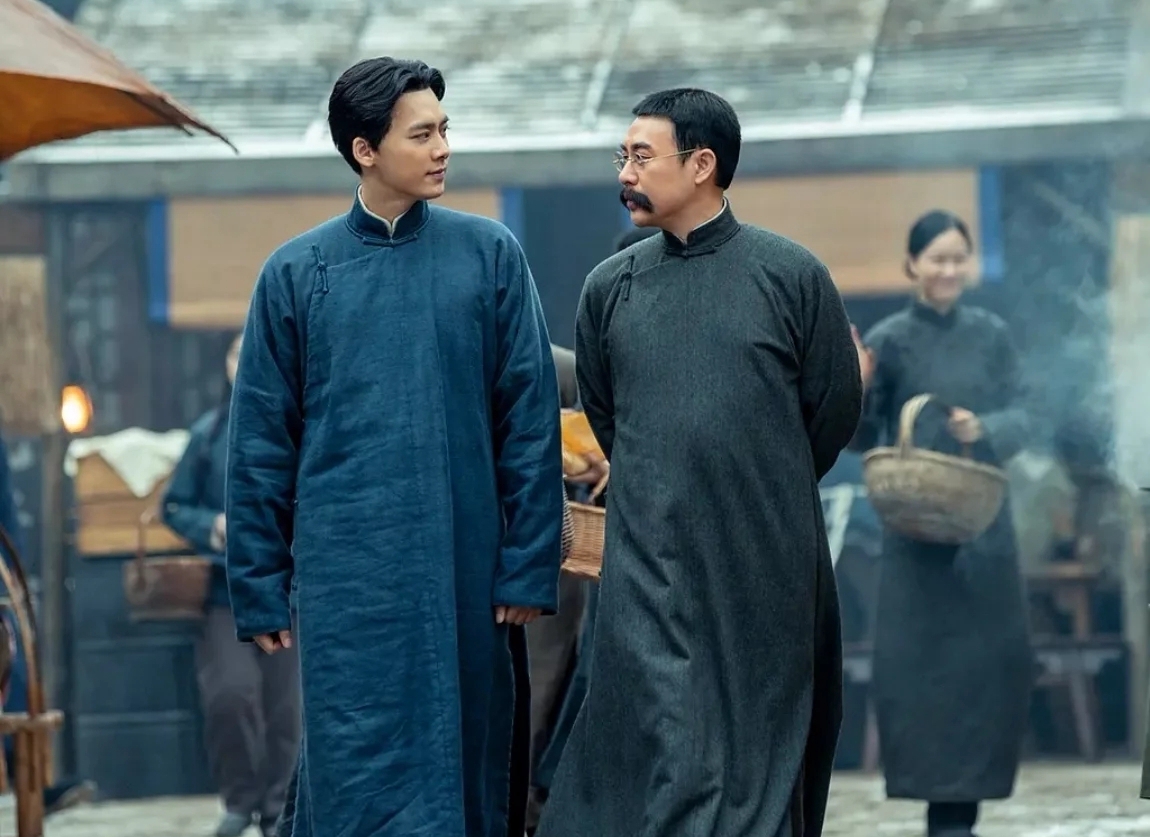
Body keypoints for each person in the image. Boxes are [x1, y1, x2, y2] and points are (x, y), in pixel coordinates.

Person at [225, 57, 565, 837]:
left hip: (467, 567)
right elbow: (261, 442)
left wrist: (527, 564)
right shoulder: (296, 273)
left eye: (445, 129)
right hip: (349, 577)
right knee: (353, 761)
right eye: (422, 134)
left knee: (468, 760)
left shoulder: (490, 255)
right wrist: (258, 581)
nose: (443, 148)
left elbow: (529, 423)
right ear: (364, 150)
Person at [537, 88, 863, 837]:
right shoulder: (610, 288)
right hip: (651, 563)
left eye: (641, 156)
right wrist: (667, 486)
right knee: (663, 744)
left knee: (759, 755)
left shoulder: (791, 276)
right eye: (622, 156)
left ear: (702, 164)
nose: (625, 173)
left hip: (766, 561)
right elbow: (609, 417)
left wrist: (759, 482)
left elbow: (832, 409)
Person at [849, 210, 1033, 837]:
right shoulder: (890, 338)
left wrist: (989, 428)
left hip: (983, 529)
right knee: (921, 676)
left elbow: (1028, 412)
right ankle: (940, 817)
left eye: (959, 258)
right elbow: (860, 436)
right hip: (914, 536)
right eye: (937, 259)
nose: (949, 270)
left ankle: (965, 817)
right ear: (913, 264)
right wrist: (858, 384)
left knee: (989, 669)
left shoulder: (993, 335)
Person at [162, 333, 301, 837]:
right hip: (226, 593)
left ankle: (279, 807)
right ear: (224, 364)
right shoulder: (209, 432)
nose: (245, 363)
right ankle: (241, 801)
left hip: (288, 589)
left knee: (287, 708)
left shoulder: (297, 426)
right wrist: (211, 525)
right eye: (236, 353)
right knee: (230, 696)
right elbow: (174, 506)